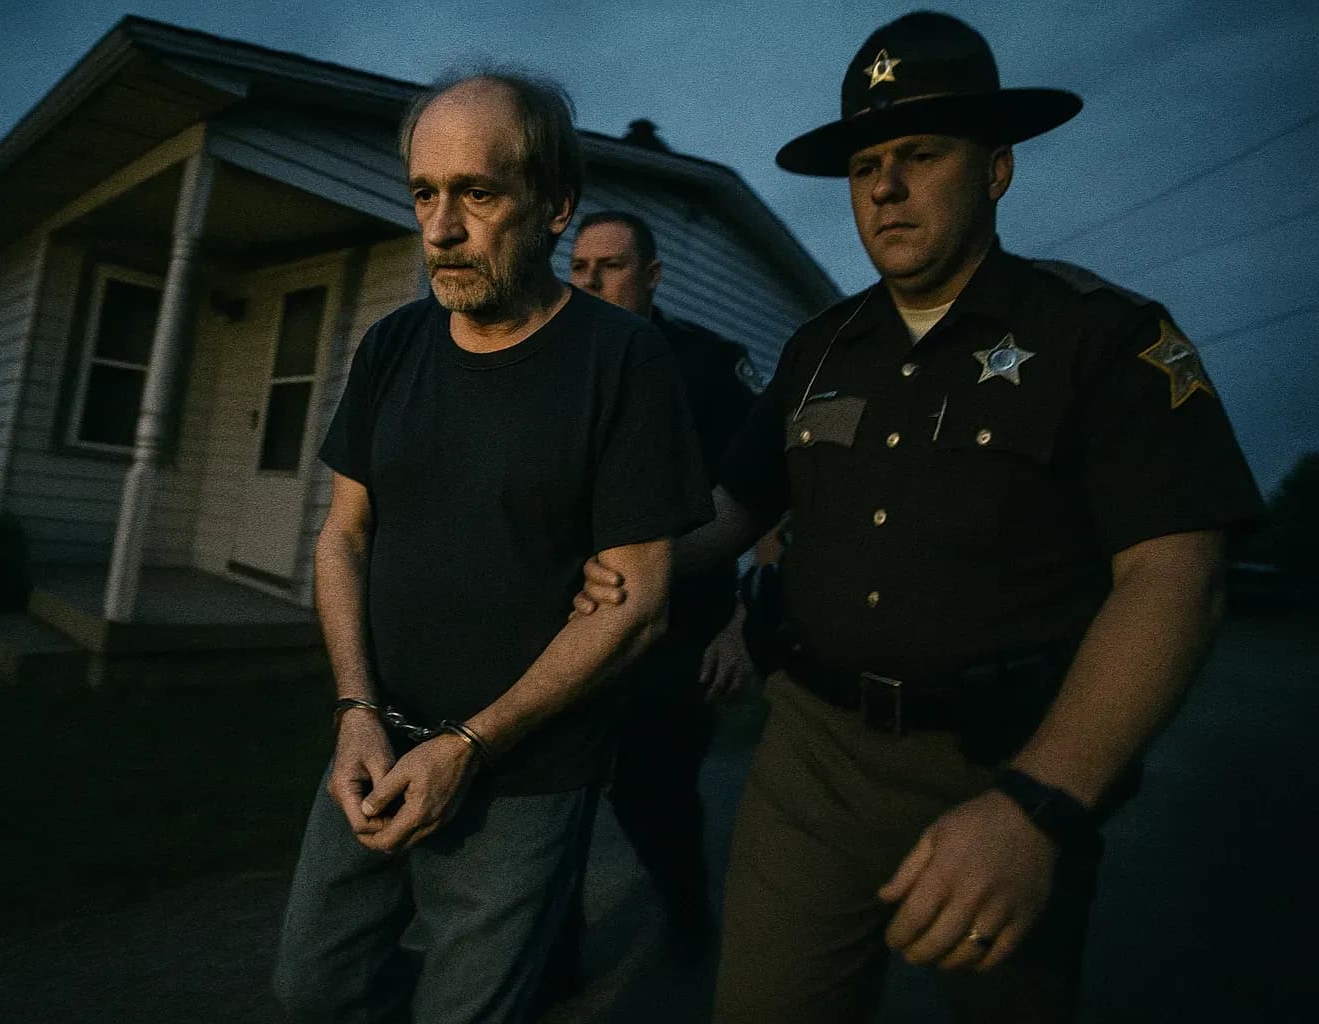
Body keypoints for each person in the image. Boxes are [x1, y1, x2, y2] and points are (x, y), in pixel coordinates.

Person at [573, 12, 1263, 1022]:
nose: (885, 186)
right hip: (813, 759)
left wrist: (1039, 805)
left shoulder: (1104, 336)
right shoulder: (821, 349)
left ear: (996, 168)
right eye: (864, 165)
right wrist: (637, 558)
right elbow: (732, 506)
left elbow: (1176, 579)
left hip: (1009, 757)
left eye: (920, 154)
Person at [269, 71, 712, 1024]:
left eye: (477, 193)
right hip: (376, 742)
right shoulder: (391, 346)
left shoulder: (623, 362)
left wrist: (472, 746)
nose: (441, 228)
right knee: (313, 989)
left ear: (556, 208)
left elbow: (638, 602)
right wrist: (354, 709)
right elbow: (342, 538)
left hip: (522, 776)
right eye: (425, 194)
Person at [564, 211, 758, 948]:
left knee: (655, 800)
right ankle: (552, 956)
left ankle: (685, 917)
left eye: (608, 267)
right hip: (569, 625)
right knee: (557, 802)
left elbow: (762, 498)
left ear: (650, 277)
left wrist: (743, 625)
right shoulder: (553, 362)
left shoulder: (706, 367)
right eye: (578, 268)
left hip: (676, 631)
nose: (589, 282)